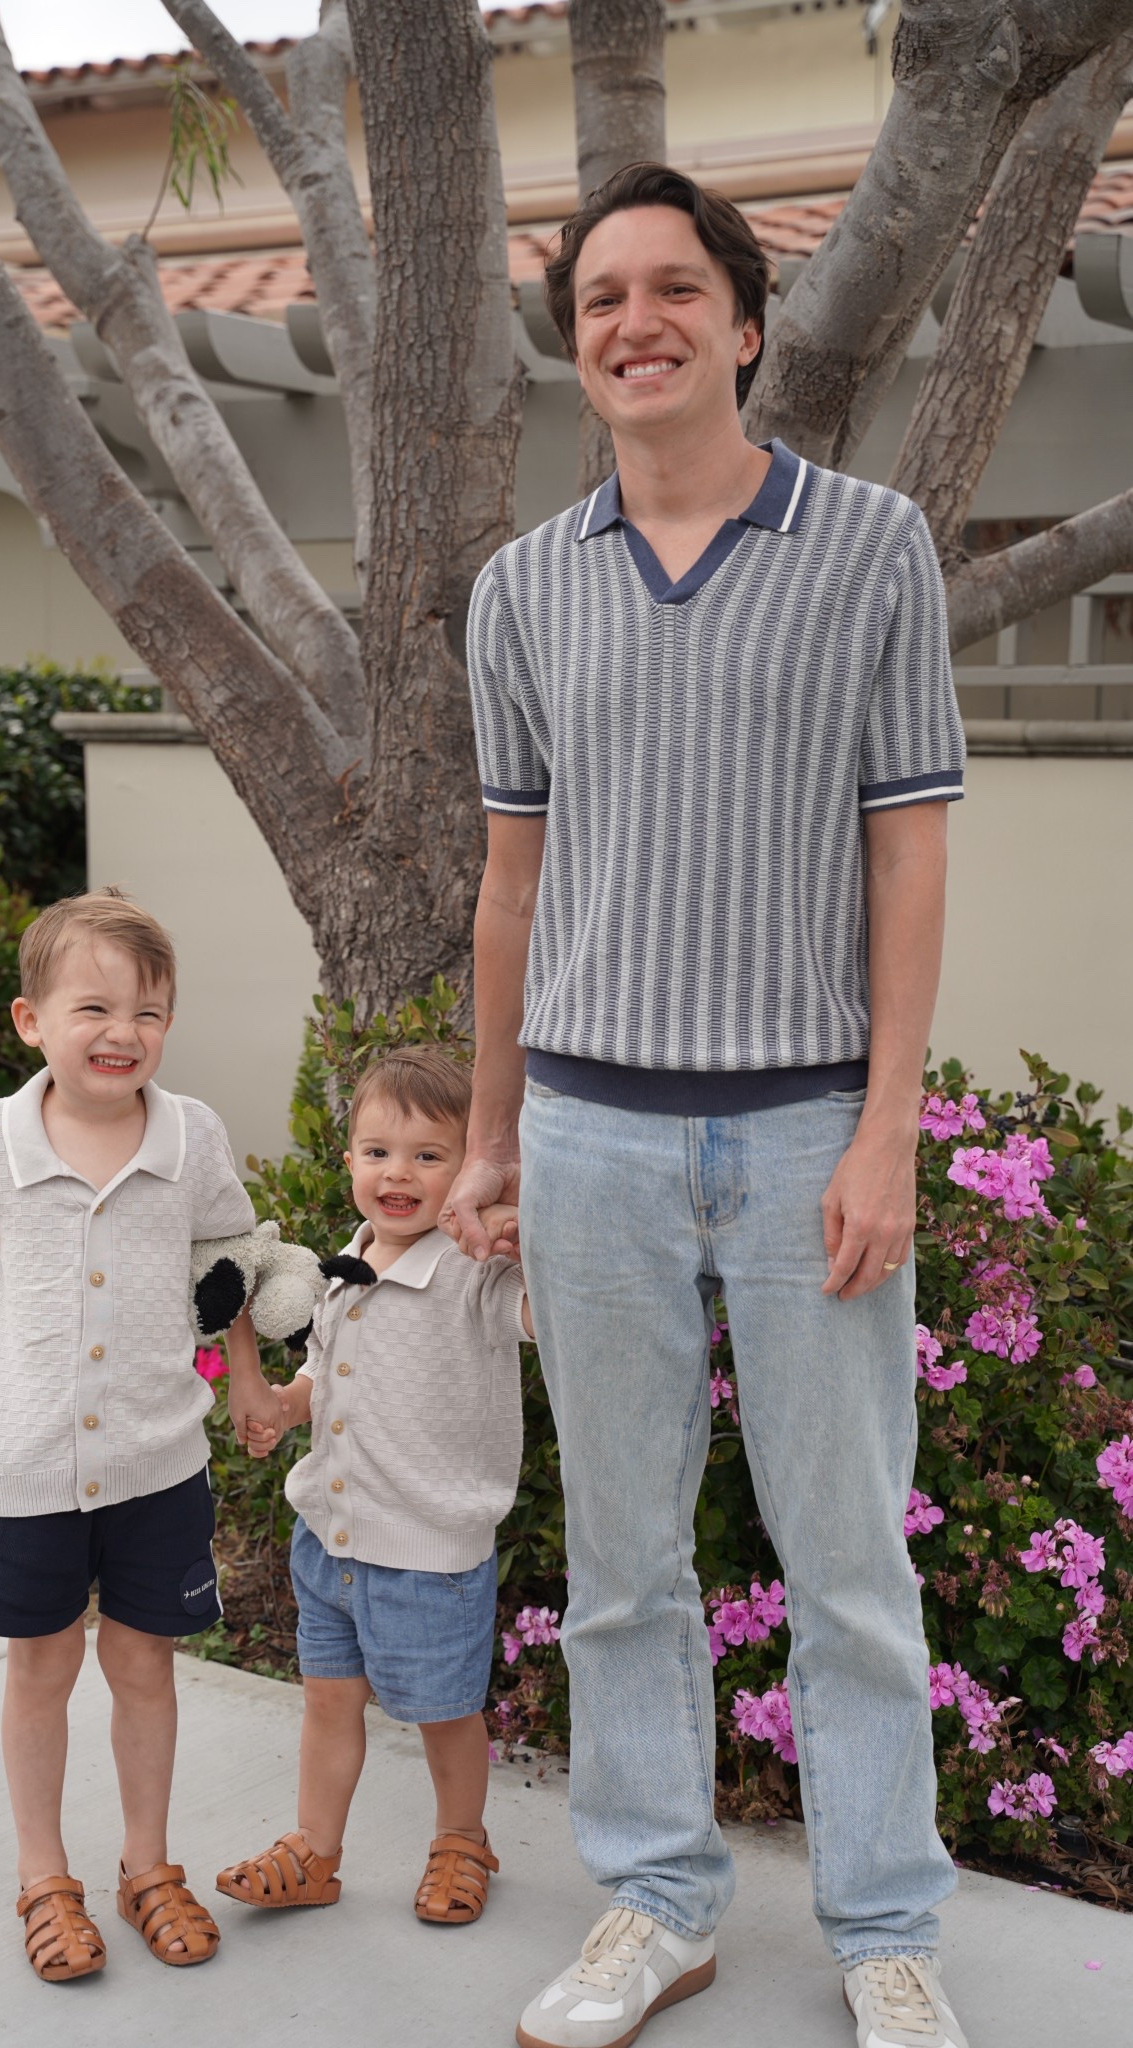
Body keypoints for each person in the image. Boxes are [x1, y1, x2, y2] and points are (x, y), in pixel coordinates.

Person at [445, 164, 969, 2048]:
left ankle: (887, 1923)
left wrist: (887, 1129)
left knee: (847, 1561)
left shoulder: (872, 546)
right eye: (600, 298)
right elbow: (510, 890)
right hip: (587, 1141)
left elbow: (905, 857)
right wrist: (493, 1135)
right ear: (574, 344)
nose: (634, 321)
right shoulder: (522, 589)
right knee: (622, 1563)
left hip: (800, 1130)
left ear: (744, 325)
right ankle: (654, 1905)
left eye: (675, 289)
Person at [0, 888, 281, 1981]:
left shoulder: (192, 1133)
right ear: (31, 1020)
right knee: (41, 1667)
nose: (122, 1032)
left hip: (159, 1462)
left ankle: (146, 1863)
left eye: (149, 1012)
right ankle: (44, 1876)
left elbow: (231, 1264)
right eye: (94, 1007)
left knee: (143, 1665)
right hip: (33, 1464)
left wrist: (251, 1382)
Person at [216, 1046, 531, 1926]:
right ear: (349, 1158)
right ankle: (315, 1851)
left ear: (468, 1171)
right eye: (378, 1151)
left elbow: (549, 1317)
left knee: (446, 1714)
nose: (399, 1174)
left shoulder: (477, 1272)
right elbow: (321, 1376)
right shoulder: (338, 1271)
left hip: (428, 1552)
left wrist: (526, 1232)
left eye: (430, 1156)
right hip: (327, 1539)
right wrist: (282, 1407)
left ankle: (462, 1839)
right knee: (326, 1703)